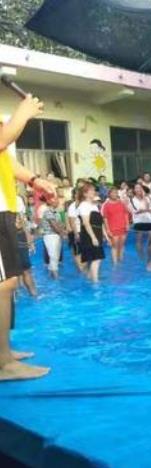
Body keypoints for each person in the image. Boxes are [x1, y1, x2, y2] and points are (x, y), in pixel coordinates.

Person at [0, 93, 55, 381]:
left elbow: (5, 158)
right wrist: (23, 113)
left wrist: (35, 180)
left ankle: (4, 353)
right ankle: (3, 363)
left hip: (4, 209)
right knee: (3, 286)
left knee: (8, 284)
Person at [78, 183, 106, 283]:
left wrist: (104, 235)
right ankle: (95, 282)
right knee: (96, 258)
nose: (94, 192)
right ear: (85, 194)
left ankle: (90, 277)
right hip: (89, 234)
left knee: (97, 258)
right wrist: (93, 237)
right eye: (92, 190)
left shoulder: (94, 205)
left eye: (94, 190)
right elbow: (86, 223)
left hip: (97, 233)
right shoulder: (83, 205)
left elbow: (99, 223)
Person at [101, 187, 130, 265]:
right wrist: (108, 230)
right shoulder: (106, 205)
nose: (115, 194)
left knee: (122, 245)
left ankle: (121, 261)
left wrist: (127, 224)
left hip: (123, 227)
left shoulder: (121, 203)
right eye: (113, 192)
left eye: (116, 192)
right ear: (109, 194)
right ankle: (115, 263)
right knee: (114, 246)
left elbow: (126, 214)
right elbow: (105, 218)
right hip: (113, 228)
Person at [16, 194, 37, 296]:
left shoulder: (16, 199)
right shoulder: (16, 199)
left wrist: (30, 241)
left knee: (24, 270)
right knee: (26, 270)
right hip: (17, 236)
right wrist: (30, 241)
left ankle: (32, 294)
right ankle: (34, 295)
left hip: (17, 236)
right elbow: (22, 222)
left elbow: (23, 222)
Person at [40, 196, 66, 279]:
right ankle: (56, 276)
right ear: (50, 202)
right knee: (53, 255)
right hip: (50, 236)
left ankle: (52, 274)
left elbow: (60, 224)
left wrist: (61, 232)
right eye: (55, 200)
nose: (58, 202)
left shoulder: (56, 212)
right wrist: (62, 233)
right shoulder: (48, 212)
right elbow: (54, 225)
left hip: (56, 235)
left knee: (56, 255)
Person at [130, 183, 151, 258]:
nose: (138, 189)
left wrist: (144, 199)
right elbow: (136, 211)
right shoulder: (132, 200)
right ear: (134, 190)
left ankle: (148, 252)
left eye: (140, 188)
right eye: (137, 188)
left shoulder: (147, 198)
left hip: (149, 220)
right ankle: (141, 256)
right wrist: (147, 210)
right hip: (138, 221)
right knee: (139, 240)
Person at [66, 191, 84, 272]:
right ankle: (80, 269)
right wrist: (75, 233)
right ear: (74, 196)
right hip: (76, 231)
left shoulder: (83, 205)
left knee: (81, 251)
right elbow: (71, 221)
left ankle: (81, 268)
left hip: (82, 231)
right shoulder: (72, 207)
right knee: (77, 252)